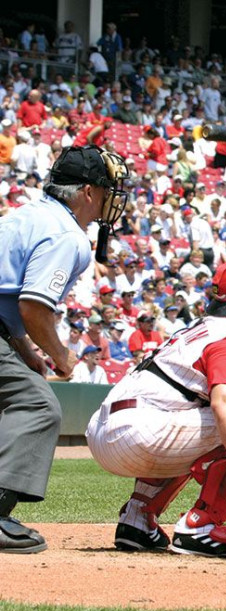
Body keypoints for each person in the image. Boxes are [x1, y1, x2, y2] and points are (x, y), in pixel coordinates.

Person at [85, 246, 226, 558]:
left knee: (194, 413)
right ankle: (202, 525)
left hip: (105, 431)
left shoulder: (200, 327)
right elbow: (225, 402)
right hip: (141, 432)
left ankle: (137, 519)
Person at [0, 145, 129, 553]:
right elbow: (34, 306)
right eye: (109, 190)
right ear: (89, 192)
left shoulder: (28, 213)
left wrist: (24, 349)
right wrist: (60, 354)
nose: (113, 199)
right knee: (37, 405)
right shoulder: (68, 235)